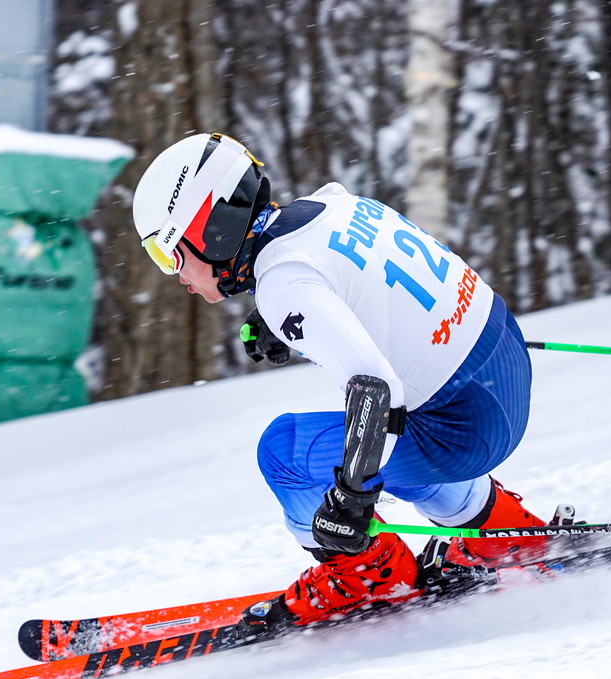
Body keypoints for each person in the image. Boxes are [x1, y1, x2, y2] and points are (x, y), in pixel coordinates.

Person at [132, 132, 560, 630]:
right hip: (503, 363)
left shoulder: (285, 283)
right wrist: (276, 320)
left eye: (169, 256)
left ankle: (369, 576)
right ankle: (503, 531)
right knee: (403, 435)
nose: (177, 276)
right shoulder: (329, 204)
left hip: (465, 428)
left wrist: (351, 501)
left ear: (212, 231)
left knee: (282, 450)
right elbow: (360, 281)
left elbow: (375, 389)